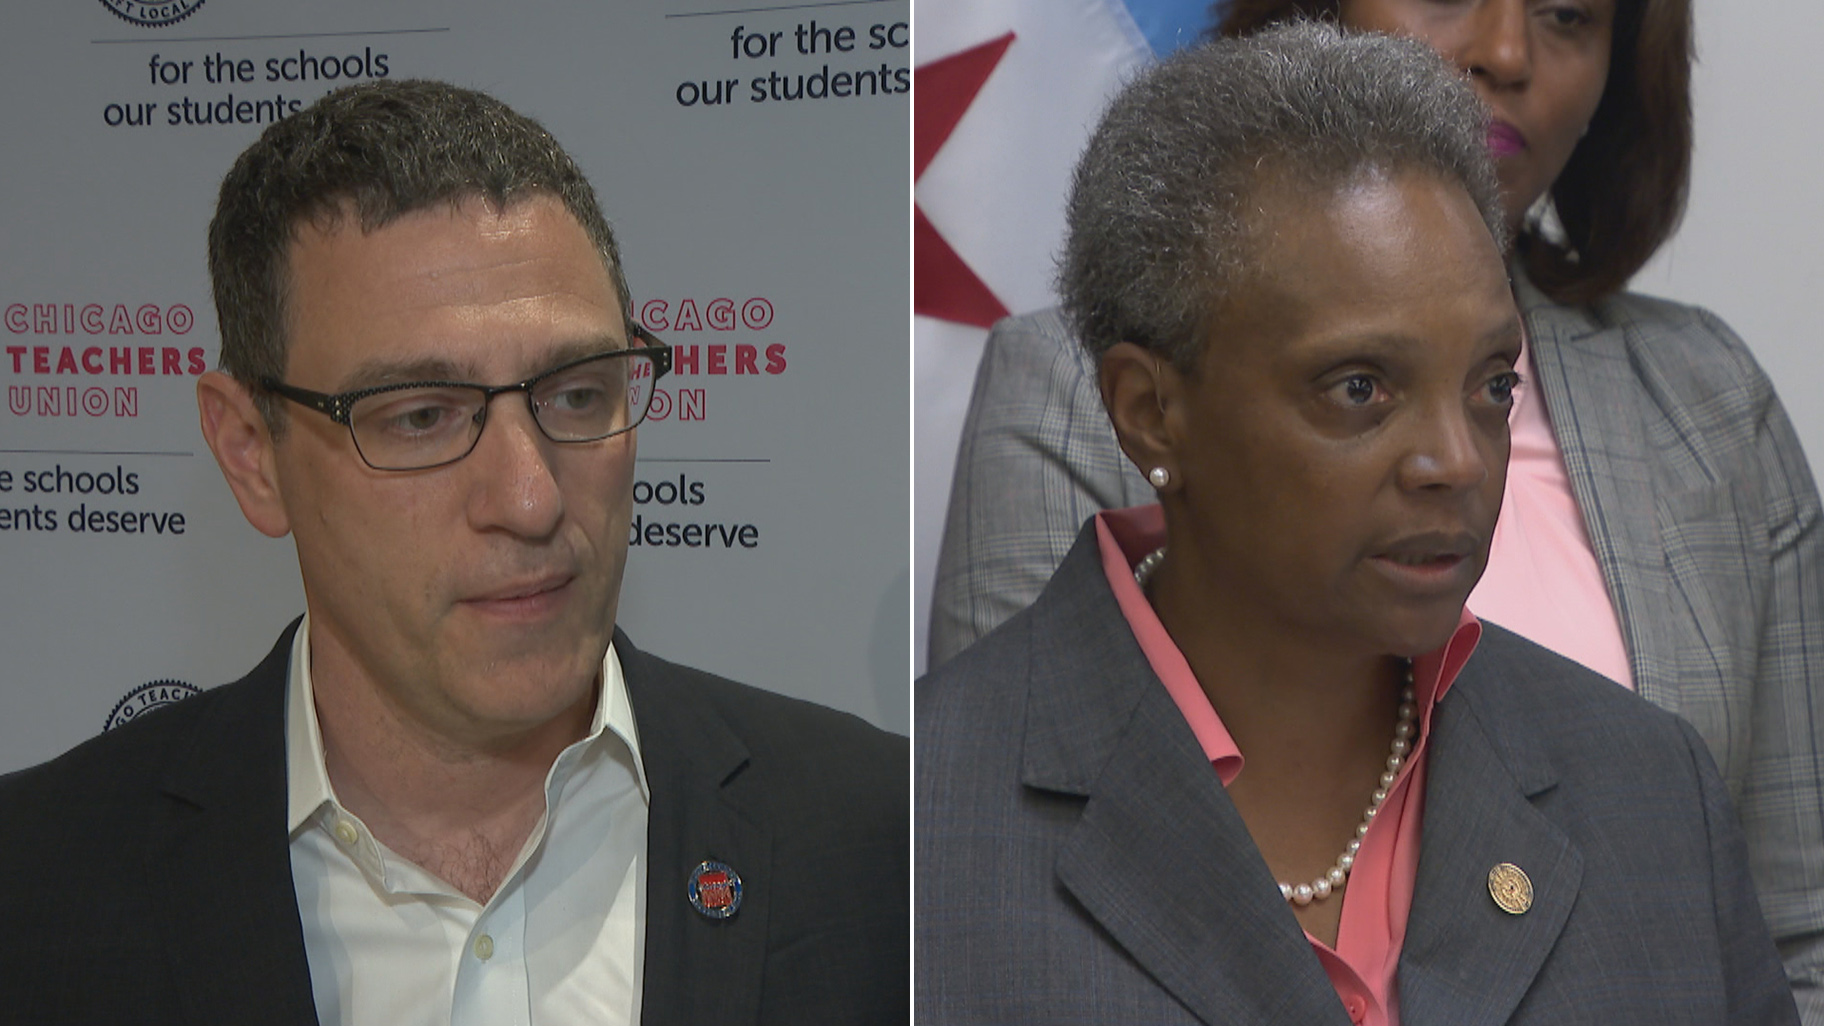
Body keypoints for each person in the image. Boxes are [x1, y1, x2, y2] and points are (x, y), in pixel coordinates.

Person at [927, 0, 1824, 1011]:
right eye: (1359, 389)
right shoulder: (924, 824)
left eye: (1494, 386)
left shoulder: (1649, 783)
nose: (1454, 463)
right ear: (1149, 413)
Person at [0, 80, 906, 1025]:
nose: (531, 497)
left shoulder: (884, 839)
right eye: (421, 417)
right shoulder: (34, 891)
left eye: (578, 395)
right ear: (251, 454)